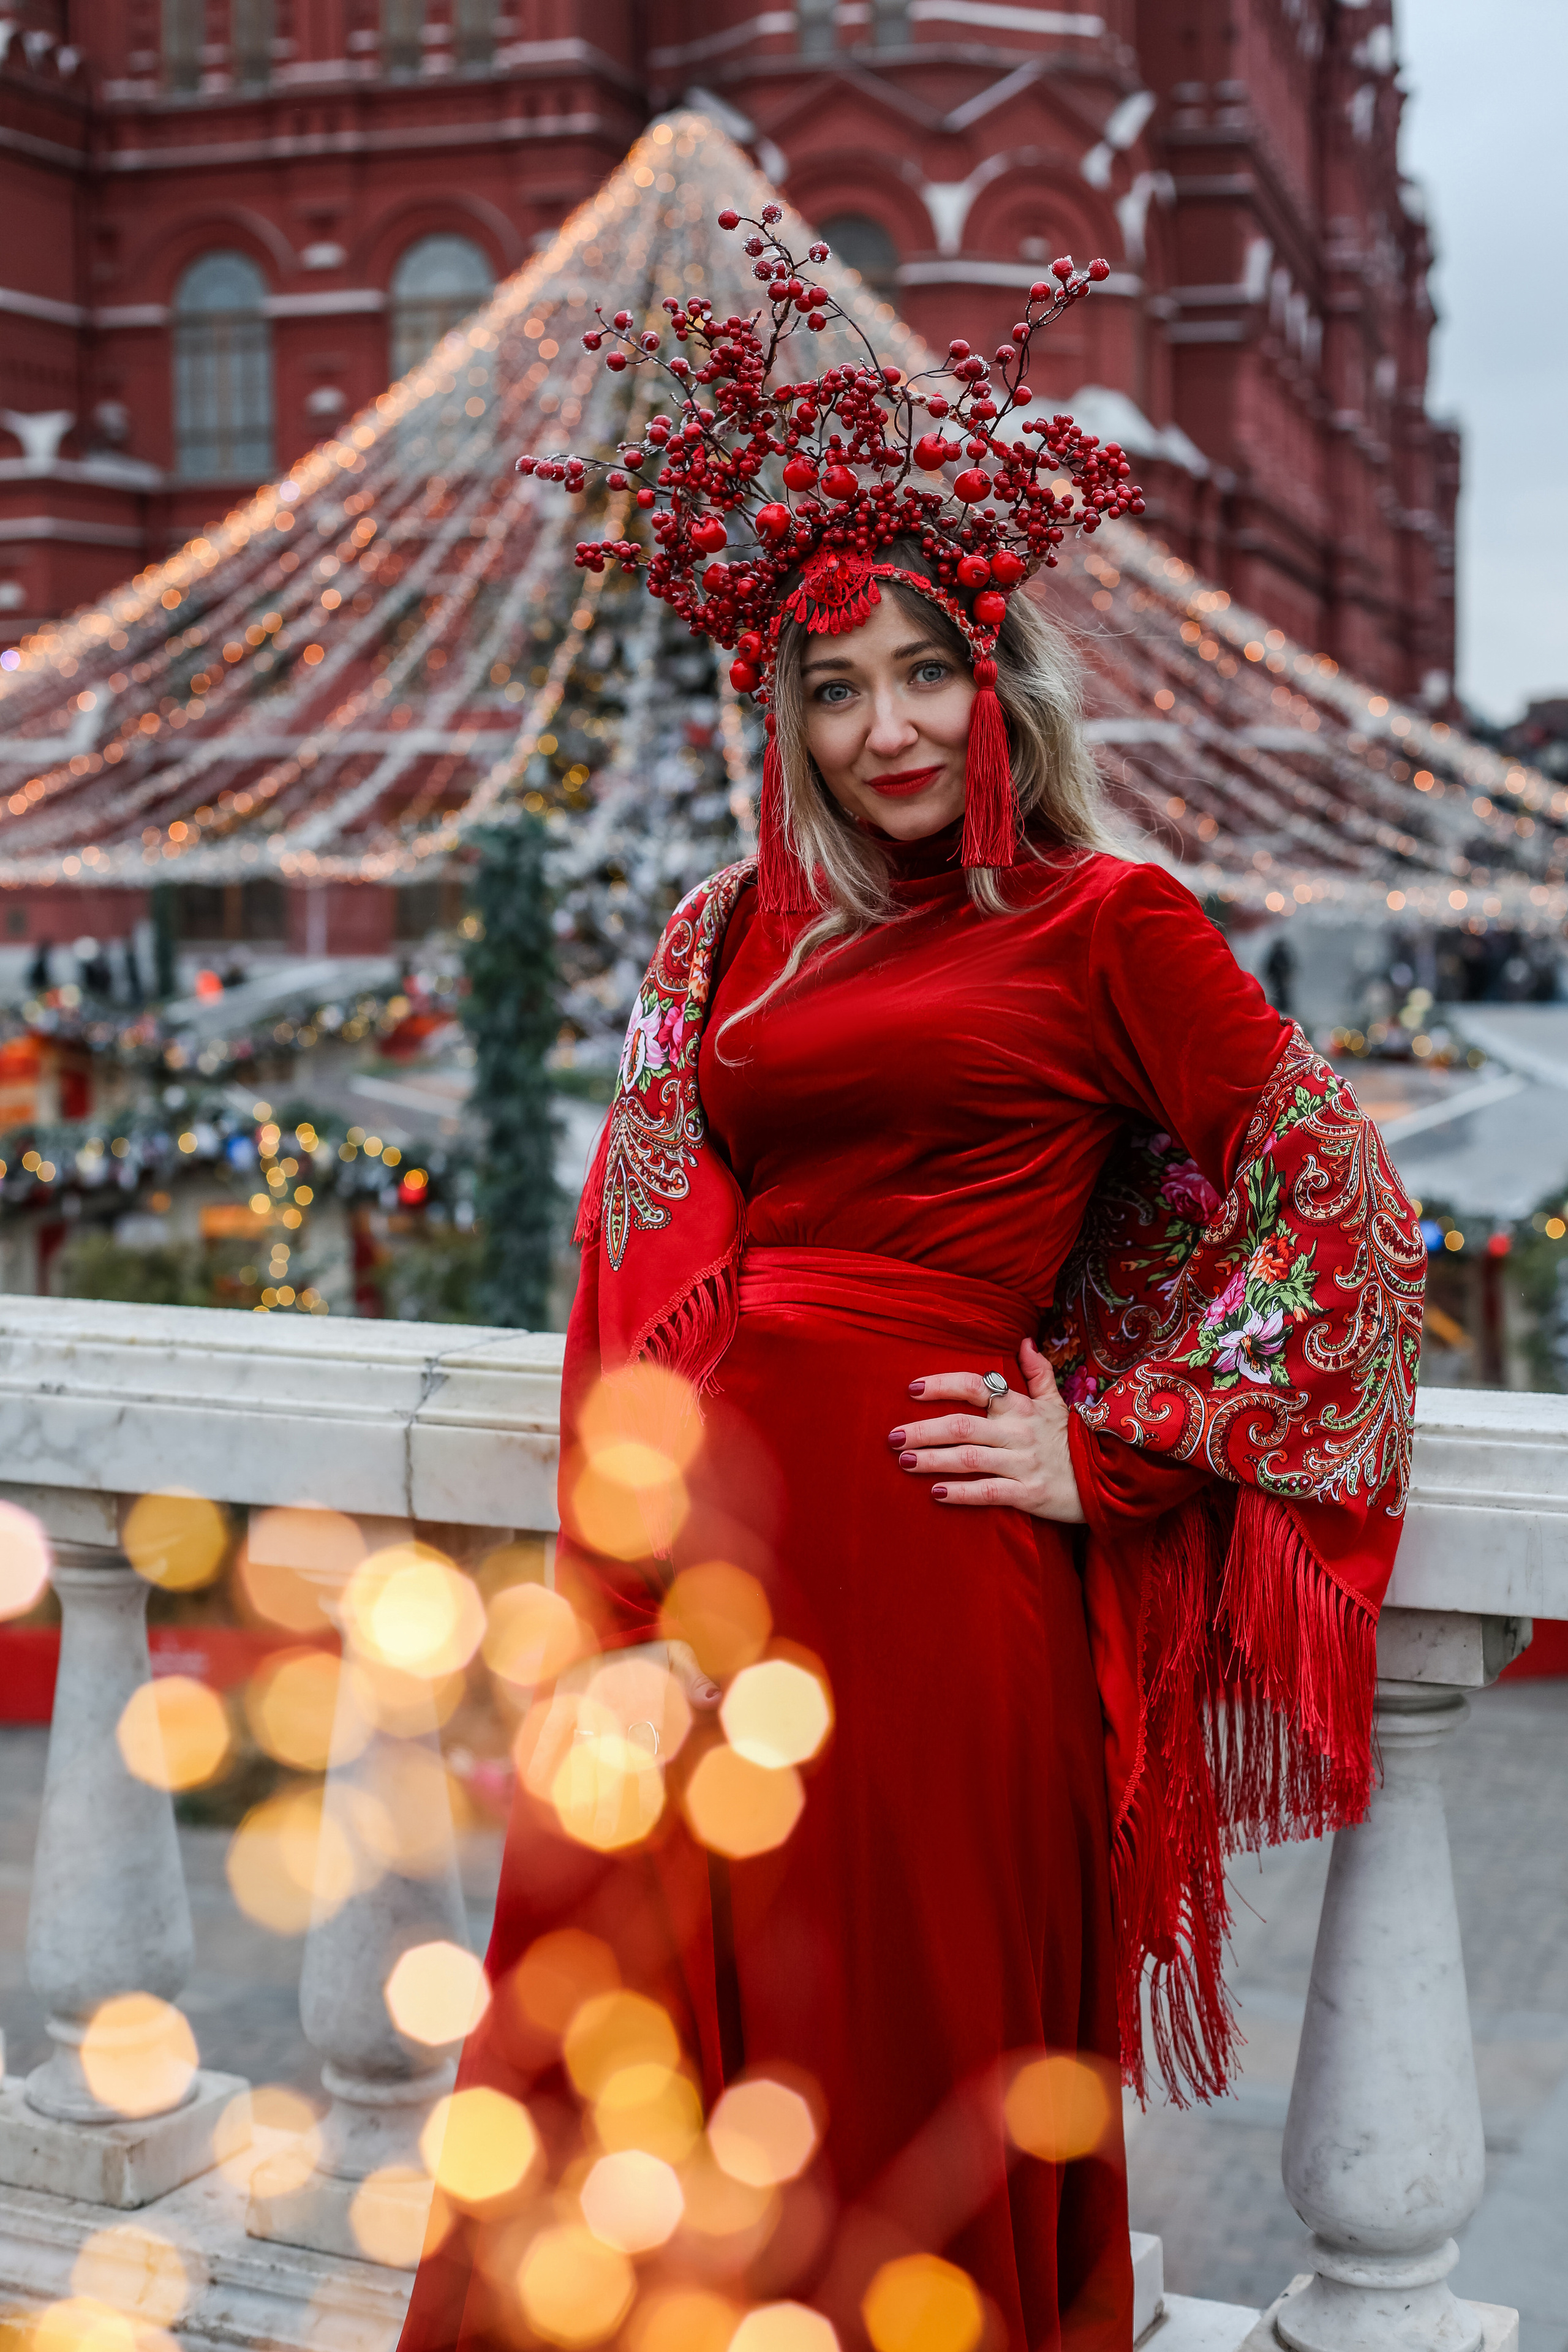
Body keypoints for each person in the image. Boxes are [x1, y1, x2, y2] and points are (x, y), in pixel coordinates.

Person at [397, 215, 1422, 2352]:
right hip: (698, 1570)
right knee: (641, 2092)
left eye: (927, 669)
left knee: (899, 2099)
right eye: (833, 686)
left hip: (940, 1584)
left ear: (1001, 675)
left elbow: (1343, 1211)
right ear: (780, 715)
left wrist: (1121, 1450)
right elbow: (633, 1254)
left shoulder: (1107, 923)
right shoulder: (719, 933)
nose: (887, 726)